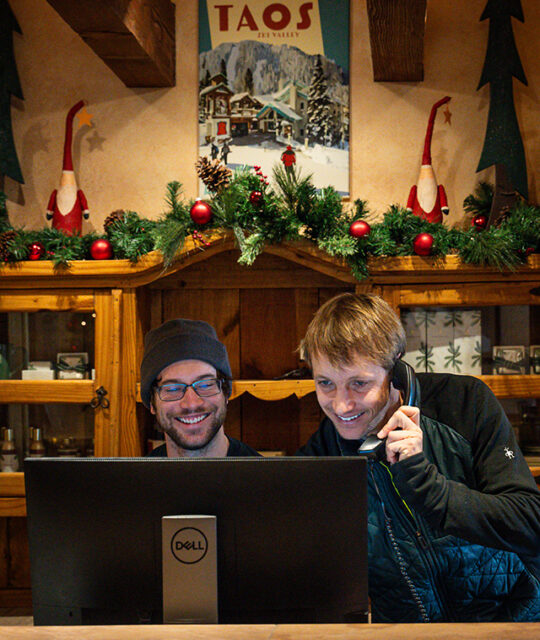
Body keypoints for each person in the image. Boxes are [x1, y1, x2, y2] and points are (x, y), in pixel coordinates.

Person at [297, 292, 540, 623]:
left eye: (359, 383)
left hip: (512, 622)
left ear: (396, 369)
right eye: (325, 383)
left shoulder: (465, 403)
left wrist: (431, 488)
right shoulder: (324, 450)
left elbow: (529, 521)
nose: (341, 405)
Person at [140, 318, 259, 458]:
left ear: (226, 392)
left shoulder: (266, 478)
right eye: (172, 389)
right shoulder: (135, 479)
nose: (191, 403)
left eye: (205, 385)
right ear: (152, 403)